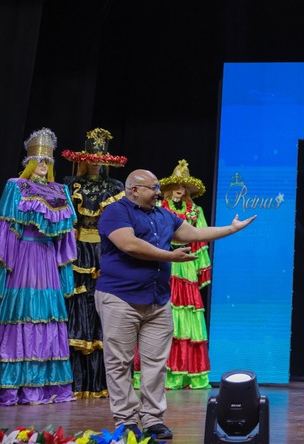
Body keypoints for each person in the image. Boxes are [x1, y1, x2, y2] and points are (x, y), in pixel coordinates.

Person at [95, 168, 256, 439]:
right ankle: (126, 421)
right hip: (120, 298)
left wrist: (231, 229)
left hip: (157, 300)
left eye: (158, 187)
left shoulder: (163, 215)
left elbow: (194, 232)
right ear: (134, 190)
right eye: (153, 187)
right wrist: (169, 256)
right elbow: (130, 245)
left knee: (156, 365)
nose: (159, 192)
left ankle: (153, 419)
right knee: (119, 363)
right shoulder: (116, 212)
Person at [0, 128, 77, 405]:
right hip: (24, 257)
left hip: (47, 258)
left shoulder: (60, 191)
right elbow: (8, 228)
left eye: (48, 161)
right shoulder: (16, 186)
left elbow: (66, 236)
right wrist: (6, 264)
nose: (43, 165)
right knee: (24, 313)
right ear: (30, 162)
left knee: (47, 315)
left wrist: (64, 271)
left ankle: (46, 385)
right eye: (39, 161)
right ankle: (16, 386)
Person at [132, 159, 213, 390]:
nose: (180, 189)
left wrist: (199, 267)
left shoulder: (195, 211)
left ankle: (185, 372)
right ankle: (157, 373)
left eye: (184, 187)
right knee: (160, 313)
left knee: (185, 316)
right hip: (163, 262)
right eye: (176, 185)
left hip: (185, 266)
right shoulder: (159, 209)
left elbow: (200, 239)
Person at [61, 127, 127, 400]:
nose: (96, 164)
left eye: (101, 160)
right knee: (79, 303)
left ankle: (103, 380)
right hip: (78, 250)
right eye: (92, 159)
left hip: (105, 250)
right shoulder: (72, 184)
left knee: (104, 304)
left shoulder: (115, 188)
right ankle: (75, 380)